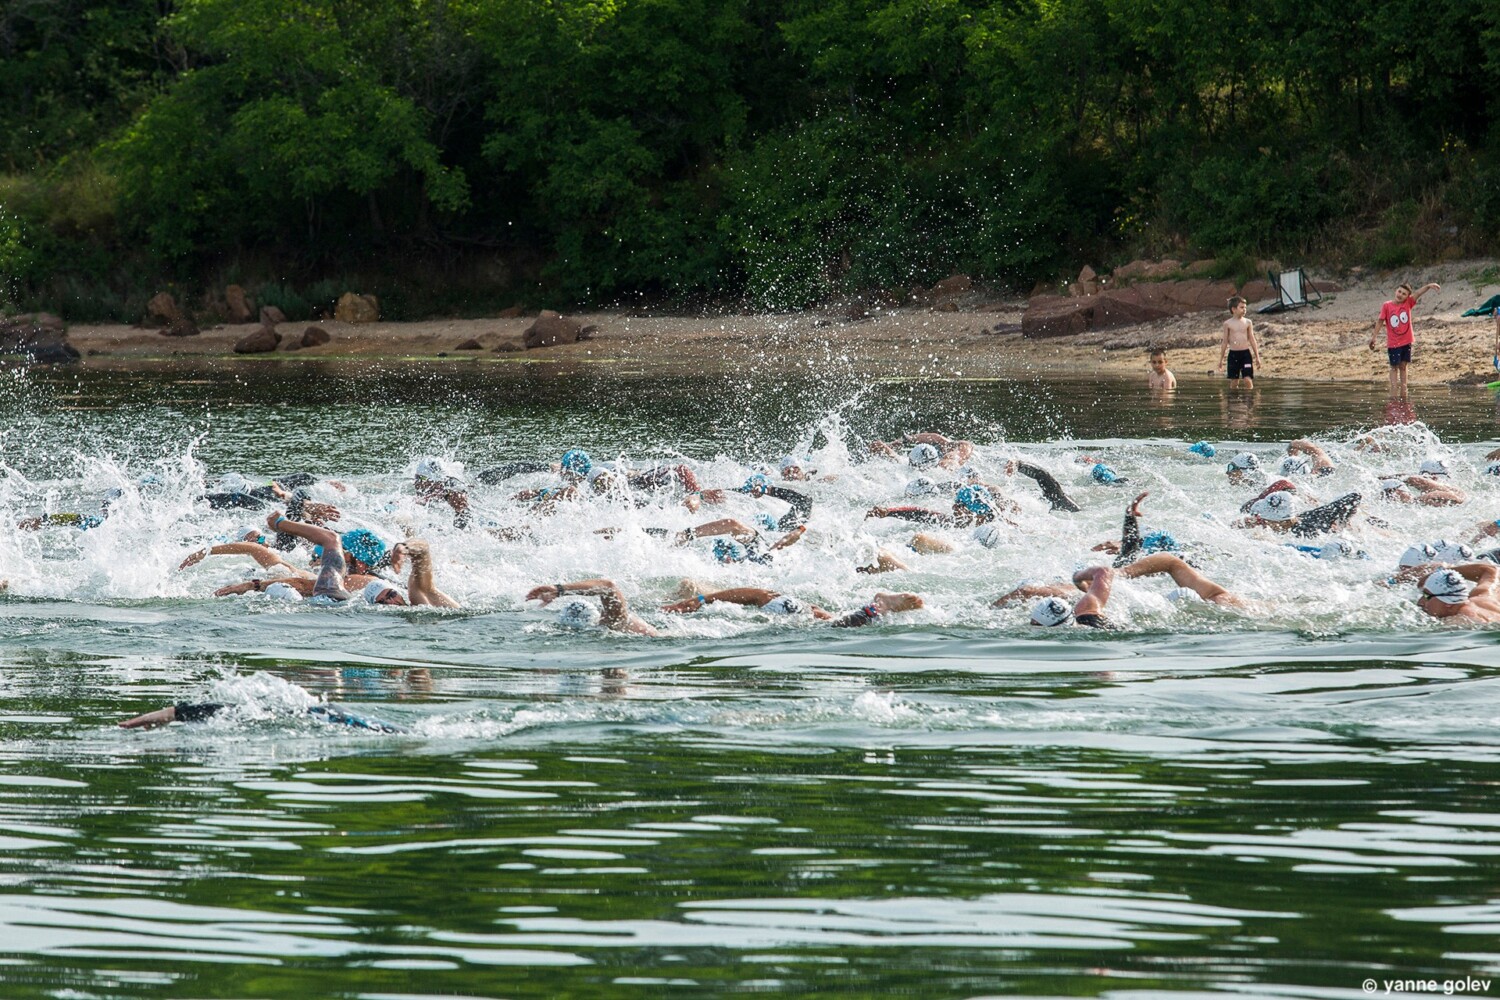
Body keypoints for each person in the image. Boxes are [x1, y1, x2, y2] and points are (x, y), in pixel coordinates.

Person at [1368, 281, 1440, 398]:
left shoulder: (1408, 303)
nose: (1400, 294)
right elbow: (1380, 321)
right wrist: (1374, 337)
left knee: (1403, 366)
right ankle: (1394, 389)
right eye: (1399, 291)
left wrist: (1428, 286)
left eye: (1404, 294)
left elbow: (1417, 293)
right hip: (1393, 343)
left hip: (1406, 341)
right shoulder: (1387, 305)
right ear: (1395, 291)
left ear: (1407, 297)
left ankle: (1404, 388)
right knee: (1394, 366)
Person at [524, 578, 658, 635]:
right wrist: (559, 590)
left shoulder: (614, 623)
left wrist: (559, 589)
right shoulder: (612, 622)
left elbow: (608, 586)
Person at [1414, 564, 1500, 624]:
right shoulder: (1485, 596)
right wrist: (1444, 572)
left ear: (1448, 603)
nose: (1420, 602)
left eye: (1427, 596)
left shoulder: (1460, 621)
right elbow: (1492, 571)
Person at [1217, 296, 1261, 390]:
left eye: (1245, 307)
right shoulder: (1228, 324)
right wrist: (1221, 360)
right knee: (1234, 381)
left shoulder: (1248, 322)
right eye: (1241, 307)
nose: (1244, 310)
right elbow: (1225, 342)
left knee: (1247, 379)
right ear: (1233, 309)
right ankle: (1233, 402)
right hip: (1233, 355)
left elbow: (1252, 339)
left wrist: (1257, 357)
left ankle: (1250, 401)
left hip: (1245, 354)